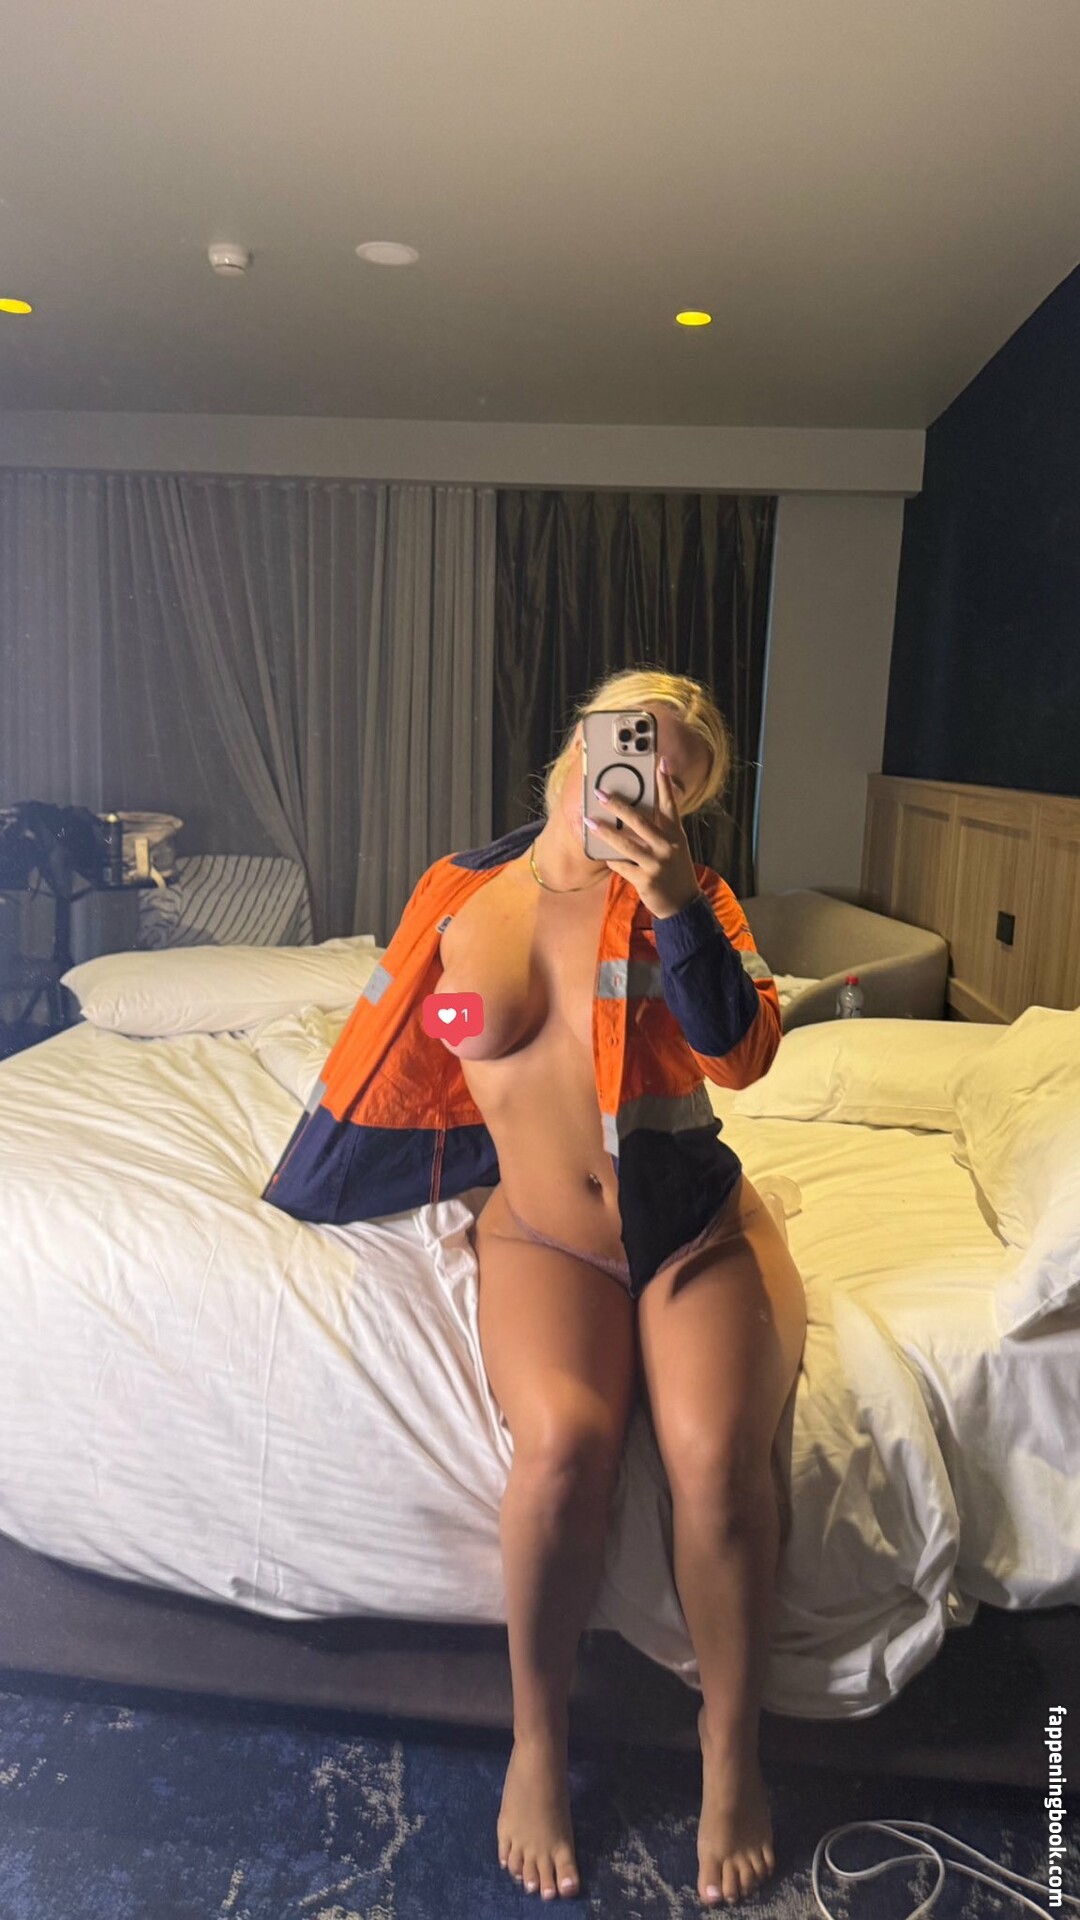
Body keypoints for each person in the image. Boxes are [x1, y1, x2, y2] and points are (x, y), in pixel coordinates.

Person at [432, 669, 808, 1908]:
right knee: (562, 1447)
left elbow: (742, 1055)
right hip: (544, 1237)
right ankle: (537, 1744)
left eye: (678, 777)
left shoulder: (694, 899)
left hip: (688, 1228)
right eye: (636, 745)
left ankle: (730, 1752)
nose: (649, 783)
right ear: (580, 748)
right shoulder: (459, 899)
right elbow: (403, 1052)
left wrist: (675, 900)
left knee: (713, 1455)